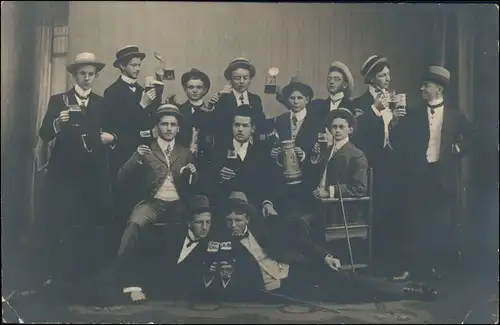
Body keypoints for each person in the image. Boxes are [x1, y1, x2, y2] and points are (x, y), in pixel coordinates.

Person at [208, 192, 433, 303]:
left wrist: (325, 256)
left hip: (294, 270)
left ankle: (408, 290)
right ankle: (400, 292)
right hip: (278, 288)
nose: (234, 225)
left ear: (247, 218)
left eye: (238, 220)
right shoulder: (222, 244)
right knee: (340, 294)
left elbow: (303, 243)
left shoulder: (266, 229)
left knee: (344, 277)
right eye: (229, 221)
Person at [37, 52, 115, 284]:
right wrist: (57, 123)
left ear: (96, 76)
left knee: (89, 222)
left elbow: (112, 132)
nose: (87, 78)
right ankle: (59, 275)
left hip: (93, 174)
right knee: (62, 221)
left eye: (91, 74)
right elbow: (44, 134)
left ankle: (85, 275)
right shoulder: (58, 100)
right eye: (82, 73)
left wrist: (111, 138)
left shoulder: (102, 103)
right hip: (65, 174)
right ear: (74, 75)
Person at [392, 65, 475, 280]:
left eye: (426, 85)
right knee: (413, 220)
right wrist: (396, 120)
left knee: (437, 222)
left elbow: (474, 137)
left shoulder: (455, 115)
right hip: (418, 174)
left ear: (439, 89)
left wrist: (458, 149)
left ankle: (433, 267)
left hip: (442, 175)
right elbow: (398, 140)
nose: (422, 88)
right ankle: (411, 267)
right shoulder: (414, 114)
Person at [114, 104, 198, 265]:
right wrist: (136, 157)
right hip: (152, 203)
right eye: (164, 124)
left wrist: (193, 173)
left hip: (178, 203)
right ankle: (121, 267)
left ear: (178, 129)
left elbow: (194, 183)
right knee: (135, 223)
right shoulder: (146, 149)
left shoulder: (185, 153)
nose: (168, 128)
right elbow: (121, 176)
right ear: (156, 126)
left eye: (173, 125)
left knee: (196, 225)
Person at [351, 55, 406, 261]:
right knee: (374, 213)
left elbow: (395, 135)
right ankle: (374, 262)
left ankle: (391, 262)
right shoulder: (360, 104)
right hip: (372, 165)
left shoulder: (393, 99)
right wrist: (375, 109)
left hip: (392, 164)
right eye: (382, 75)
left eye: (388, 75)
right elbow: (357, 133)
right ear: (372, 79)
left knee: (393, 213)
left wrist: (399, 120)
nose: (387, 79)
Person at [101, 45, 160, 221]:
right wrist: (141, 106)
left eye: (139, 64)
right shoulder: (112, 92)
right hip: (122, 156)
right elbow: (116, 125)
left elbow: (148, 123)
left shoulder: (143, 90)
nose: (138, 68)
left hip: (143, 155)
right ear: (122, 66)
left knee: (141, 204)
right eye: (134, 65)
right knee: (123, 206)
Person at [303, 108, 369, 245]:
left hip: (342, 211)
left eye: (341, 127)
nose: (337, 130)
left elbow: (359, 188)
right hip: (321, 206)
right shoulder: (327, 151)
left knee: (305, 226)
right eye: (334, 127)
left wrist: (329, 192)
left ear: (350, 130)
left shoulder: (356, 155)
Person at [208, 106, 278, 219]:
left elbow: (269, 183)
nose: (240, 129)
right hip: (224, 209)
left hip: (254, 208)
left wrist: (267, 203)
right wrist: (219, 176)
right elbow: (208, 181)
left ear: (253, 129)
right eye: (237, 125)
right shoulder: (217, 150)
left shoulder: (262, 152)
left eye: (245, 126)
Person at [208, 57, 267, 145]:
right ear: (230, 80)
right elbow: (216, 126)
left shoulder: (255, 100)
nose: (242, 82)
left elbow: (260, 124)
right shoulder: (222, 98)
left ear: (250, 79)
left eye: (245, 78)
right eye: (237, 78)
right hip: (227, 145)